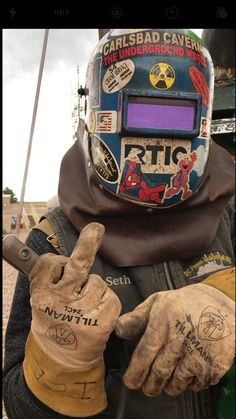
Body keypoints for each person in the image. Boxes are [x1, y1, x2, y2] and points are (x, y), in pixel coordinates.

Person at [3, 29, 235, 419]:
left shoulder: (228, 212)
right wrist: (58, 360)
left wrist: (225, 300)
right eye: (142, 113)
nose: (158, 137)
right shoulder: (55, 242)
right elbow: (16, 402)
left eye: (177, 114)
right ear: (100, 115)